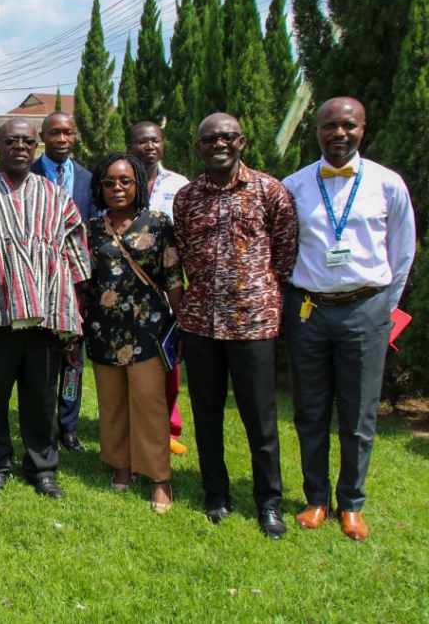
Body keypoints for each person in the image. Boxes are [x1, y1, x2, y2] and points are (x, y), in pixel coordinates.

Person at [282, 97, 415, 541]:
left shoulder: (387, 184)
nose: (338, 133)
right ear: (316, 131)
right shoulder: (295, 185)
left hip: (366, 308)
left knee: (359, 414)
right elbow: (283, 252)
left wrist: (384, 305)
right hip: (310, 310)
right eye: (329, 126)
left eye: (348, 126)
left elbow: (402, 250)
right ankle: (316, 498)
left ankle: (352, 503)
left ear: (363, 129)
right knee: (311, 410)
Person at [0, 118, 91, 500]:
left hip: (45, 314)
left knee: (41, 397)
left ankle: (42, 468)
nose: (20, 147)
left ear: (37, 146)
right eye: (12, 141)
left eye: (28, 141)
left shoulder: (56, 195)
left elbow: (76, 251)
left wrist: (78, 308)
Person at [173, 113, 298, 538]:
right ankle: (216, 494)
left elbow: (283, 255)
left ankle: (269, 504)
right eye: (209, 139)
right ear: (198, 147)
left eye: (227, 137)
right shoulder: (187, 198)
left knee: (260, 420)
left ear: (241, 142)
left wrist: (254, 292)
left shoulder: (269, 191)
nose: (218, 144)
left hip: (253, 323)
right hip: (201, 323)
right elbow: (187, 253)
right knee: (206, 415)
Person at [84, 152, 182, 512]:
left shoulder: (157, 223)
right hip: (103, 329)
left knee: (149, 404)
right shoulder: (92, 229)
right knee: (112, 405)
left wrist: (180, 324)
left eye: (125, 181)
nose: (117, 188)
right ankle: (121, 465)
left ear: (138, 184)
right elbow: (86, 281)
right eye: (109, 182)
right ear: (100, 187)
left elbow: (172, 276)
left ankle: (159, 477)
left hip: (149, 330)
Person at [30, 111, 97, 454]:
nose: (61, 139)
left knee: (73, 357)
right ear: (42, 136)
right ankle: (39, 418)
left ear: (75, 136)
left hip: (75, 282)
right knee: (39, 354)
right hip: (34, 278)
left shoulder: (88, 178)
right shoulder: (27, 172)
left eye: (68, 133)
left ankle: (68, 426)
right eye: (54, 133)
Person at [126, 121, 191, 456]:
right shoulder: (121, 182)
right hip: (124, 286)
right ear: (130, 146)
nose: (149, 146)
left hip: (166, 283)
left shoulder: (179, 185)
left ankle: (168, 427)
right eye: (141, 141)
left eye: (155, 140)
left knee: (167, 357)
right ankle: (130, 424)